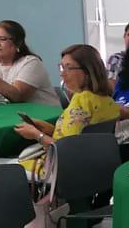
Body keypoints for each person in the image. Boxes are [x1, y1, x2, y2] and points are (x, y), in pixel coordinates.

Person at [15, 44, 122, 177]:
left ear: (88, 71)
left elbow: (66, 150)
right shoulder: (106, 100)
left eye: (69, 67)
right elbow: (80, 136)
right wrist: (49, 129)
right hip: (90, 167)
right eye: (62, 66)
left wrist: (36, 135)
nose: (62, 73)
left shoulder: (82, 101)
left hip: (58, 169)